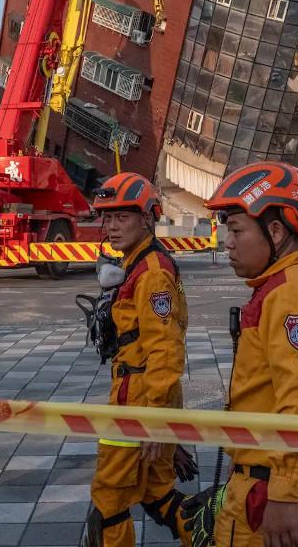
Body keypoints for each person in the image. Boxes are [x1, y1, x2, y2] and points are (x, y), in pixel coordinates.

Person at [199, 161, 298, 547]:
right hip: (275, 477)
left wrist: (282, 492)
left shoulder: (291, 295)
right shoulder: (284, 286)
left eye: (236, 230)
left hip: (269, 486)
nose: (227, 243)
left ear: (276, 231)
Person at [83, 173, 195, 547]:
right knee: (158, 492)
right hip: (148, 395)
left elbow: (165, 349)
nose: (112, 227)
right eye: (107, 217)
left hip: (139, 399)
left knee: (109, 499)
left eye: (123, 217)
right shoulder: (139, 264)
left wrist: (154, 420)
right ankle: (212, 537)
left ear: (147, 217)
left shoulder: (151, 273)